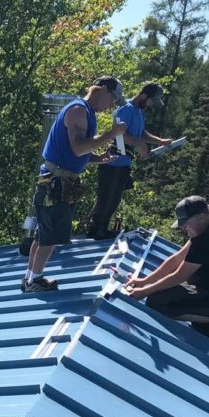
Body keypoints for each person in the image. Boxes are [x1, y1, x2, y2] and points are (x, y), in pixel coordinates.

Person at [22, 76, 127, 293]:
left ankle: (30, 277)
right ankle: (35, 281)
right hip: (56, 183)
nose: (111, 106)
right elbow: (79, 148)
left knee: (44, 235)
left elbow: (76, 153)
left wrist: (100, 158)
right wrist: (111, 134)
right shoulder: (79, 110)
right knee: (49, 237)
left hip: (57, 179)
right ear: (103, 90)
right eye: (112, 100)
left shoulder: (85, 112)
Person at [123, 195, 209, 339]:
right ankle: (207, 314)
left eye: (186, 223)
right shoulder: (208, 229)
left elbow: (179, 276)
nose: (183, 227)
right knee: (160, 292)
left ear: (201, 216)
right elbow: (176, 260)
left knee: (156, 302)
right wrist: (144, 281)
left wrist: (144, 291)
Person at [84, 82, 172, 239]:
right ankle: (97, 229)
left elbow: (141, 133)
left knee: (114, 198)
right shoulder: (127, 109)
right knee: (107, 198)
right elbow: (119, 134)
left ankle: (100, 227)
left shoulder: (139, 112)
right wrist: (139, 144)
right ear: (144, 96)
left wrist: (160, 141)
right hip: (115, 159)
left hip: (125, 162)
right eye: (152, 101)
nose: (151, 105)